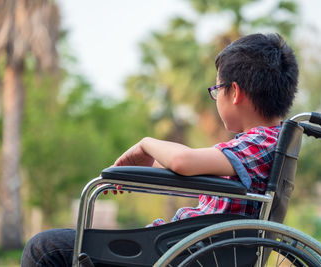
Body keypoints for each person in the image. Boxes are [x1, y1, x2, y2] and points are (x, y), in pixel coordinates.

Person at [21, 32, 298, 266]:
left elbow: (183, 161)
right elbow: (196, 169)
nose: (215, 97)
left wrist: (146, 144)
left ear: (234, 92)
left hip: (182, 253)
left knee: (44, 249)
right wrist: (148, 169)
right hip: (187, 248)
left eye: (216, 89)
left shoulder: (260, 142)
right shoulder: (267, 142)